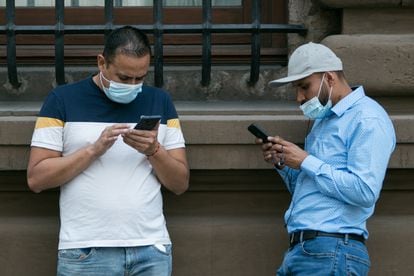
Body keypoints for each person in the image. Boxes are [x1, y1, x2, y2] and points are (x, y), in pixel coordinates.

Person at [27, 26, 190, 276]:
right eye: (124, 78)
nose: (133, 85)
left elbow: (180, 183)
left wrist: (154, 150)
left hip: (151, 249)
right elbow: (36, 178)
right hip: (85, 250)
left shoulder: (160, 101)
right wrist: (93, 150)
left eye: (140, 78)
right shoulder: (61, 100)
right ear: (102, 63)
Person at [258, 42, 395, 275]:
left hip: (332, 250)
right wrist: (284, 163)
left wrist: (304, 160)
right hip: (306, 250)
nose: (299, 97)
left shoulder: (368, 118)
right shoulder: (325, 121)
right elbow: (313, 191)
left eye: (304, 87)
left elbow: (364, 191)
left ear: (329, 78)